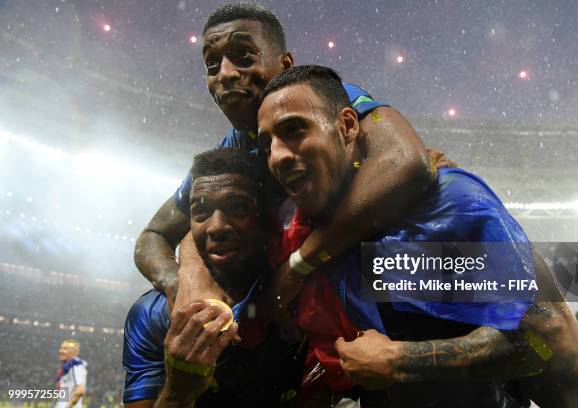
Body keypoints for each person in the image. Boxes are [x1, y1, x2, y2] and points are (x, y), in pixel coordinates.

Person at [257, 64, 578, 407]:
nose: (276, 157)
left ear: (348, 126)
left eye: (295, 130)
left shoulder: (434, 214)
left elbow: (547, 334)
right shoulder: (321, 237)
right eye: (266, 144)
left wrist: (397, 360)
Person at [134, 2, 440, 313]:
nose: (225, 74)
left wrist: (300, 264)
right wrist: (183, 281)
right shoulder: (229, 155)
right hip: (292, 311)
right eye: (212, 64)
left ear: (285, 65)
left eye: (243, 56)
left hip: (389, 282)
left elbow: (407, 162)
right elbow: (153, 235)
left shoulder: (323, 100)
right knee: (151, 313)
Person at [122, 148, 305, 407]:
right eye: (200, 211)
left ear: (265, 217)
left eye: (238, 207)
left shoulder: (299, 294)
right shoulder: (153, 314)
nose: (217, 226)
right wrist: (179, 391)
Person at [56, 339, 87, 408]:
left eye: (65, 349)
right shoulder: (68, 368)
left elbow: (80, 390)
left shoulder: (75, 365)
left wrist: (67, 407)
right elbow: (64, 399)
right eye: (60, 348)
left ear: (74, 351)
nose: (60, 351)